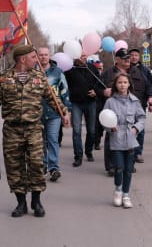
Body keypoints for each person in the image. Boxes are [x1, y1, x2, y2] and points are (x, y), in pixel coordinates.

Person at [0, 44, 70, 217]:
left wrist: (64, 112)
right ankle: (21, 203)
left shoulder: (39, 77)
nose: (36, 59)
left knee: (37, 165)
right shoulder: (4, 78)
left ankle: (36, 201)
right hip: (12, 130)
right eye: (33, 57)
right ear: (22, 59)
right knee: (14, 167)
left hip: (33, 129)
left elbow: (51, 97)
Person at [100, 48, 152, 175]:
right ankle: (112, 166)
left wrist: (151, 97)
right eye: (125, 58)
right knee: (112, 137)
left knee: (133, 136)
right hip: (115, 111)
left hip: (134, 108)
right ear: (117, 59)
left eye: (129, 58)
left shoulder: (138, 72)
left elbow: (148, 86)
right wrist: (103, 92)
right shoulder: (108, 73)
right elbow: (97, 88)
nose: (128, 60)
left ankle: (130, 163)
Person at [103, 72, 146, 208]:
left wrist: (136, 128)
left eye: (125, 82)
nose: (122, 85)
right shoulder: (110, 101)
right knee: (119, 167)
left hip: (130, 138)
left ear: (129, 84)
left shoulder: (134, 101)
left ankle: (126, 194)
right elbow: (103, 118)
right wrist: (110, 127)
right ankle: (118, 190)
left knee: (128, 169)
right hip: (116, 138)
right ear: (115, 85)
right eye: (120, 82)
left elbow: (142, 118)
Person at [38, 47, 72, 182]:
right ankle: (43, 166)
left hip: (54, 113)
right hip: (37, 113)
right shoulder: (33, 72)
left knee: (52, 140)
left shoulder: (58, 72)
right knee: (40, 142)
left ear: (49, 56)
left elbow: (65, 92)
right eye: (40, 55)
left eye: (46, 55)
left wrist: (66, 112)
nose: (43, 57)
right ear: (37, 56)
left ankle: (53, 168)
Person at [65, 53, 102, 167]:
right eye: (81, 55)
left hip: (90, 102)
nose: (83, 57)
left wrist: (95, 91)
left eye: (85, 55)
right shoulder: (70, 70)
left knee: (91, 130)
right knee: (76, 130)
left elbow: (99, 83)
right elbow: (65, 86)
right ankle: (78, 156)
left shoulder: (92, 68)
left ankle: (88, 151)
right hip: (76, 103)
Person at [129, 48, 152, 164]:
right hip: (127, 105)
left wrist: (151, 99)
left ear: (139, 57)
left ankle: (138, 152)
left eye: (136, 55)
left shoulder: (145, 70)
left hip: (140, 104)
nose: (134, 57)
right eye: (132, 55)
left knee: (140, 129)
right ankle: (129, 152)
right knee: (129, 128)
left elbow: (150, 86)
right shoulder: (126, 69)